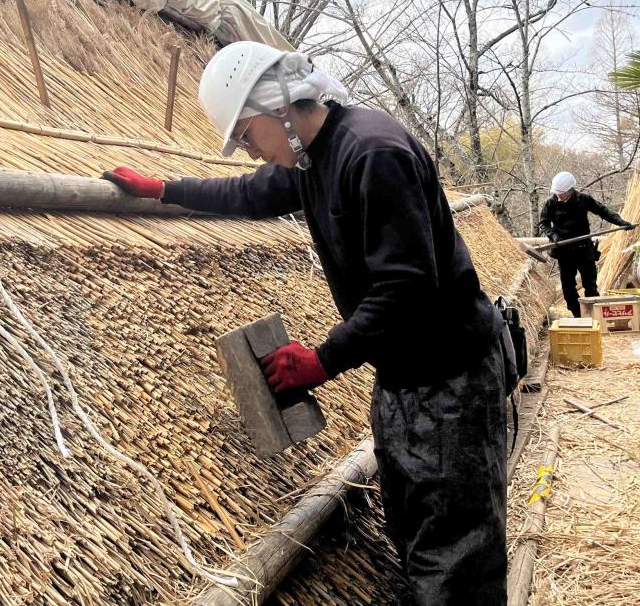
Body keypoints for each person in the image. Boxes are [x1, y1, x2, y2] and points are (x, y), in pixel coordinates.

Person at [103, 42, 511, 605]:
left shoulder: (372, 153)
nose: (248, 152)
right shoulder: (313, 158)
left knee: (457, 554)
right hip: (404, 377)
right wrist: (165, 191)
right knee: (418, 534)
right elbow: (248, 194)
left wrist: (321, 360)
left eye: (246, 135)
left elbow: (406, 286)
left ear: (278, 107)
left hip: (451, 379)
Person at [538, 171, 635, 317]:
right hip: (564, 252)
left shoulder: (584, 200)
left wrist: (621, 222)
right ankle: (578, 315)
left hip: (584, 250)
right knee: (568, 288)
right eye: (557, 193)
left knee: (590, 285)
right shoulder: (550, 203)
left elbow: (604, 212)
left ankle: (592, 315)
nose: (559, 196)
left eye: (562, 193)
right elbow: (543, 223)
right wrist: (553, 235)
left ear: (570, 190)